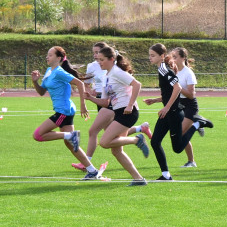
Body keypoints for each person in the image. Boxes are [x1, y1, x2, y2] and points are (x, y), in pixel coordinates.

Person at [84, 46, 151, 186]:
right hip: (119, 112)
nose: (99, 62)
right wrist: (90, 98)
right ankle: (138, 179)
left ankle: (136, 139)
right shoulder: (106, 77)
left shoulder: (117, 72)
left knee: (104, 142)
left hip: (128, 112)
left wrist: (130, 104)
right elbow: (105, 102)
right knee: (117, 151)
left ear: (111, 59)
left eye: (102, 60)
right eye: (98, 60)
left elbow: (137, 84)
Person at [143, 44, 209, 180]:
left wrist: (166, 107)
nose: (150, 58)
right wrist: (156, 101)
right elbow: (169, 91)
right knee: (155, 142)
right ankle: (166, 175)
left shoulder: (163, 69)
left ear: (161, 56)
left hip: (173, 113)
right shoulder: (161, 69)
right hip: (168, 112)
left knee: (177, 148)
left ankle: (197, 125)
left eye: (152, 55)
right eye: (149, 55)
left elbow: (177, 88)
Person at [30, 46, 98, 178]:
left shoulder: (59, 72)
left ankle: (69, 135)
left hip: (63, 111)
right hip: (65, 110)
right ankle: (92, 170)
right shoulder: (50, 71)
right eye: (47, 55)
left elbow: (80, 83)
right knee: (71, 144)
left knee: (38, 135)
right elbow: (42, 92)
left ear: (59, 58)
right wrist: (35, 82)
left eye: (50, 55)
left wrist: (83, 105)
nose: (47, 57)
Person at [73, 41, 113, 171]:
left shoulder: (113, 64)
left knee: (94, 131)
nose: (95, 55)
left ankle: (86, 163)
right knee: (111, 133)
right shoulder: (92, 66)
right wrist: (90, 92)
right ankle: (139, 132)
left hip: (112, 101)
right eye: (93, 53)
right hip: (100, 100)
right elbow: (87, 83)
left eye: (97, 52)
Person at [169, 46, 211, 167]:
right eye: (172, 57)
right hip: (180, 106)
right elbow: (174, 92)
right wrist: (156, 100)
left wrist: (179, 88)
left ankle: (197, 123)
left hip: (190, 106)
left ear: (183, 58)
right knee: (181, 134)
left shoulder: (188, 73)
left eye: (175, 57)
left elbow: (191, 95)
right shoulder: (174, 71)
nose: (173, 59)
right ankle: (191, 161)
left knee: (180, 133)